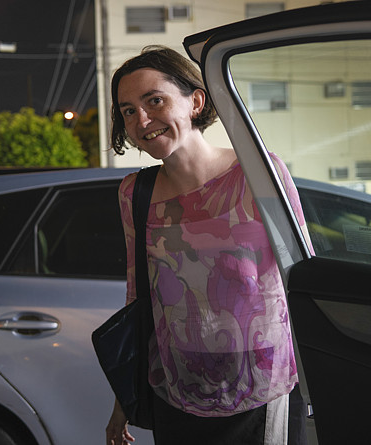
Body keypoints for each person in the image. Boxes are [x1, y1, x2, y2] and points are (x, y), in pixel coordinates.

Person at [105, 46, 311, 445]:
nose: (142, 119)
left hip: (263, 393)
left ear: (195, 101)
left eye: (155, 100)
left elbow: (300, 277)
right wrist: (123, 399)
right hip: (176, 394)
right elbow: (138, 299)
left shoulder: (259, 173)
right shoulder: (135, 193)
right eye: (128, 110)